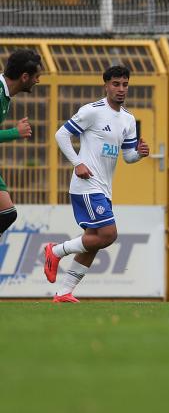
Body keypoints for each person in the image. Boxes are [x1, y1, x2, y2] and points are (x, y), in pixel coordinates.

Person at [44, 66, 151, 303]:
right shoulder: (92, 111)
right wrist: (77, 163)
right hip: (86, 185)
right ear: (106, 85)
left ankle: (64, 292)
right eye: (116, 84)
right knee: (108, 234)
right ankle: (55, 250)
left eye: (125, 84)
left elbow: (128, 157)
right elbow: (61, 135)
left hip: (104, 187)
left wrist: (140, 154)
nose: (121, 89)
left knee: (93, 240)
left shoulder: (128, 119)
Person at [0, 50, 40, 240]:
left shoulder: (4, 94)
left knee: (7, 213)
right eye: (36, 76)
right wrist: (15, 133)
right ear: (24, 77)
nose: (38, 80)